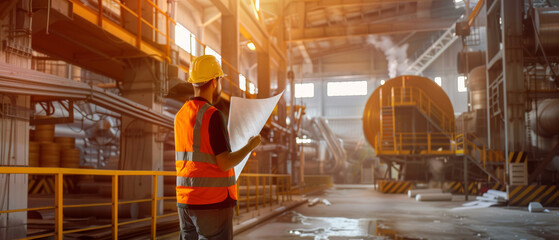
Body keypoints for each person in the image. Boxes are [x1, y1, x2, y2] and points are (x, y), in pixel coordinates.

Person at [174, 55, 261, 240]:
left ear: (193, 82)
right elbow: (224, 163)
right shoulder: (213, 115)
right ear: (214, 81)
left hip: (185, 203)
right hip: (212, 202)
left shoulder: (180, 116)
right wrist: (249, 146)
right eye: (220, 79)